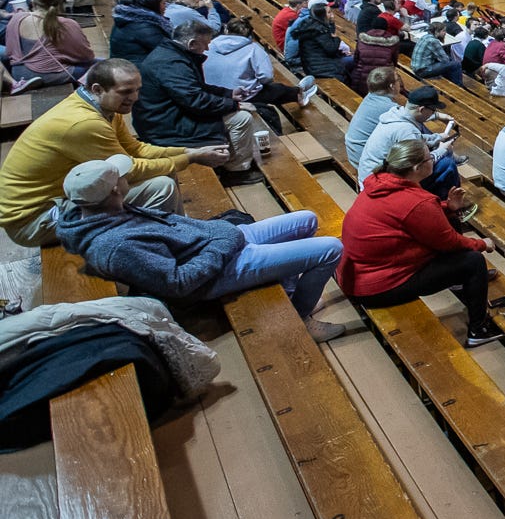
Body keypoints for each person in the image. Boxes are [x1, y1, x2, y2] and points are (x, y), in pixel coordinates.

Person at [55, 155, 344, 339]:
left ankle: (288, 288)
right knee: (331, 248)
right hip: (221, 268)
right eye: (121, 176)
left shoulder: (105, 209)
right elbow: (178, 283)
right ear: (115, 189)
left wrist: (222, 236)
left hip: (222, 241)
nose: (127, 176)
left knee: (306, 220)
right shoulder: (115, 246)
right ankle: (301, 315)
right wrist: (222, 244)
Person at [0, 60, 230, 246]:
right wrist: (190, 158)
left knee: (163, 176)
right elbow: (130, 170)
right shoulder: (84, 123)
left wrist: (188, 150)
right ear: (98, 89)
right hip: (33, 219)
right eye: (126, 91)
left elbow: (137, 149)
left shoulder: (104, 107)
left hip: (60, 200)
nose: (135, 98)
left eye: (138, 90)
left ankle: (179, 236)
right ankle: (161, 249)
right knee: (161, 187)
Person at [335, 138, 501, 346]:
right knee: (473, 260)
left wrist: (448, 207)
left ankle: (461, 285)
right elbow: (448, 242)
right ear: (417, 167)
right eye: (429, 157)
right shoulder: (417, 201)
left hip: (356, 273)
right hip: (376, 286)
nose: (433, 159)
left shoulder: (378, 182)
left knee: (451, 237)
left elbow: (413, 217)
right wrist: (482, 244)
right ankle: (479, 329)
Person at [134, 20, 261, 177]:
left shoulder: (171, 53)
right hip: (166, 125)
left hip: (167, 115)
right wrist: (234, 105)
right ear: (192, 43)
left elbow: (195, 88)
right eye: (205, 44)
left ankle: (229, 159)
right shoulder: (171, 63)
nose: (207, 48)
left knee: (237, 112)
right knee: (241, 118)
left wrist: (228, 94)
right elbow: (195, 100)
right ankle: (237, 170)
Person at [358, 84, 461, 194]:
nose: (433, 113)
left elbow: (418, 139)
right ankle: (450, 206)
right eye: (433, 110)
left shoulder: (395, 114)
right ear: (421, 109)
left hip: (370, 178)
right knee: (447, 164)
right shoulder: (406, 130)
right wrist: (442, 150)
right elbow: (419, 164)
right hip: (380, 187)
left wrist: (438, 137)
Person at [4, 0, 95, 86]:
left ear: (32, 2)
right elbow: (86, 56)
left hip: (18, 73)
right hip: (48, 74)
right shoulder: (65, 24)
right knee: (101, 65)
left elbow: (9, 52)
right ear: (59, 2)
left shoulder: (16, 19)